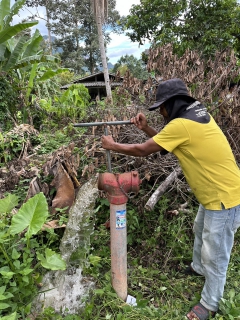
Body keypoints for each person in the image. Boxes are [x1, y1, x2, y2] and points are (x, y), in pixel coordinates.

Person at [101, 78, 240, 320]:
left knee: (215, 254)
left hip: (224, 197)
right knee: (200, 230)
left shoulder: (182, 125)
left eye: (162, 107)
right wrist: (145, 128)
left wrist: (113, 145)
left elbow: (145, 150)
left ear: (173, 104)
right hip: (215, 193)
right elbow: (167, 146)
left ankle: (210, 304)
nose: (162, 112)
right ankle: (197, 269)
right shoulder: (195, 115)